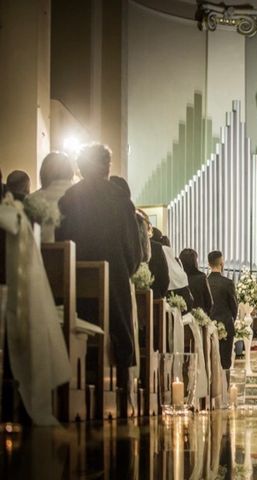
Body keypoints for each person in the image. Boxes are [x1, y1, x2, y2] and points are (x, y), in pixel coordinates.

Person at [57, 143, 142, 387]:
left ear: (81, 168)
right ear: (107, 167)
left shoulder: (68, 200)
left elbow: (61, 243)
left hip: (75, 296)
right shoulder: (121, 201)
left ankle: (76, 384)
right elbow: (133, 254)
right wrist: (122, 270)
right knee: (121, 332)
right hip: (114, 292)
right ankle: (124, 392)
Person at [26, 152, 75, 240]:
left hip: (40, 252)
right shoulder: (81, 196)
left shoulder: (32, 200)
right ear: (70, 171)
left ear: (44, 172)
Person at [207, 251, 237, 371]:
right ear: (222, 263)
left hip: (208, 327)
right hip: (226, 325)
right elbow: (234, 306)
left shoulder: (205, 282)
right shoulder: (228, 283)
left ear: (209, 264)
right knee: (225, 363)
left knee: (210, 363)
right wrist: (230, 320)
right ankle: (226, 388)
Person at [179, 248, 213, 315]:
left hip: (182, 317)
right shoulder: (201, 277)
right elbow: (209, 302)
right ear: (195, 262)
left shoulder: (179, 277)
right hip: (200, 317)